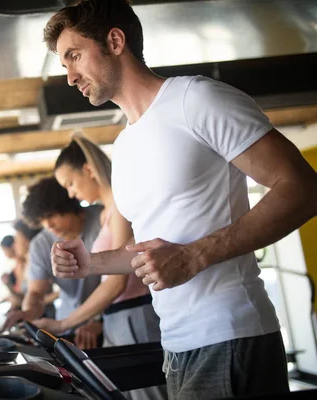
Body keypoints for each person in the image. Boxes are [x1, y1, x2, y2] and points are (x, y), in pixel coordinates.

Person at [44, 1, 317, 399]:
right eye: (63, 63)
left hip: (230, 333)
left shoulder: (197, 99)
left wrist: (194, 256)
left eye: (74, 56)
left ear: (115, 41)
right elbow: (155, 248)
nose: (69, 77)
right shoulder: (124, 144)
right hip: (175, 346)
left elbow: (302, 188)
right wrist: (92, 263)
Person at [33, 133, 166, 399]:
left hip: (134, 315)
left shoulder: (119, 206)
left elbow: (117, 281)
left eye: (71, 183)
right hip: (116, 318)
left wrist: (63, 325)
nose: (71, 193)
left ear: (88, 170)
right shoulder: (106, 211)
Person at [2, 177, 102, 345]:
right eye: (42, 220)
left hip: (112, 316)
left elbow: (120, 282)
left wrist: (100, 322)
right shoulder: (41, 245)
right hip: (68, 324)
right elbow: (35, 292)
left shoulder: (102, 219)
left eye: (51, 215)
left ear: (68, 205)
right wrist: (29, 312)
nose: (48, 224)